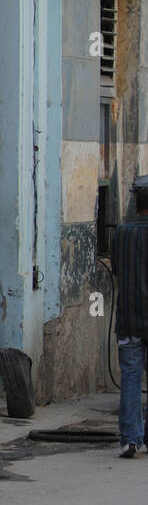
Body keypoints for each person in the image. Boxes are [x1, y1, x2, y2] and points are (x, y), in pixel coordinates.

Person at [111, 176, 148, 458]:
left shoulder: (121, 234)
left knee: (131, 378)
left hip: (128, 320)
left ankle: (130, 439)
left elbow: (117, 271)